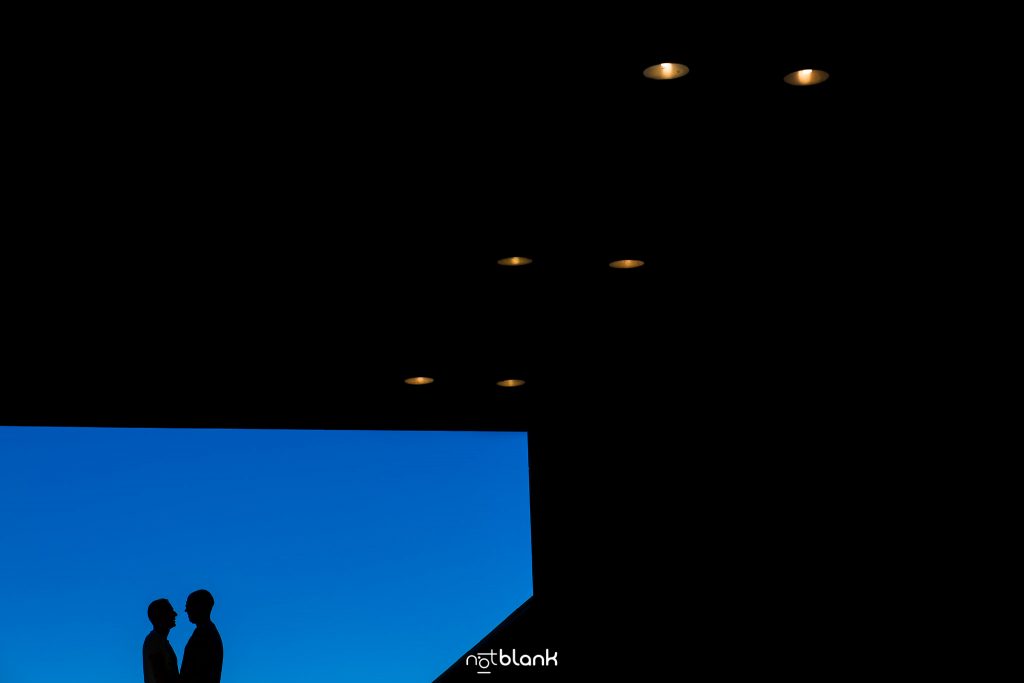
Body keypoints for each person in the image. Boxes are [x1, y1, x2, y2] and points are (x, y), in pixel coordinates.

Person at [180, 589, 223, 683]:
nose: (186, 610)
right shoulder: (204, 632)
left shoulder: (205, 634)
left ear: (200, 606)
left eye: (189, 606)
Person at [143, 598, 179, 683]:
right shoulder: (154, 641)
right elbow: (160, 676)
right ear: (160, 616)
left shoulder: (160, 641)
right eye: (170, 612)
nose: (175, 614)